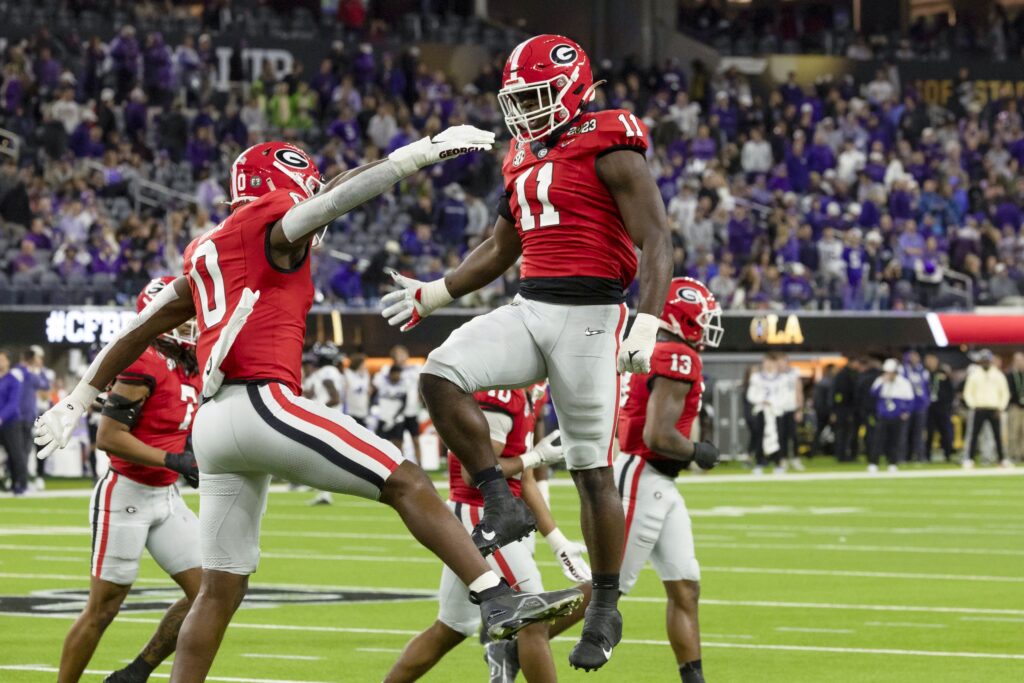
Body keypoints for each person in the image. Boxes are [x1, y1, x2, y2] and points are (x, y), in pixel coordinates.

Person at [35, 135, 583, 683]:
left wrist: (81, 395)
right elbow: (331, 202)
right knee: (407, 479)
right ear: (281, 191)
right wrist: (415, 155)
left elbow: (137, 327)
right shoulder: (268, 225)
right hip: (261, 403)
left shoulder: (208, 251)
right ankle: (495, 597)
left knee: (221, 587)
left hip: (213, 423)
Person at [381, 34, 672, 670]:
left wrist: (646, 322)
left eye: (539, 95)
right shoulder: (520, 153)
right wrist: (434, 292)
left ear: (574, 88)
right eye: (520, 99)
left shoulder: (610, 138)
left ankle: (604, 605)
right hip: (530, 303)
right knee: (441, 373)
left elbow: (656, 237)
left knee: (592, 469)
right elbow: (500, 244)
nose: (528, 110)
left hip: (592, 313)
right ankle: (499, 496)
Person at [385, 387, 590, 683]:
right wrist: (534, 456)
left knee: (451, 628)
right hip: (479, 514)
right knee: (532, 620)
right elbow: (475, 472)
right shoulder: (501, 392)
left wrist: (557, 540)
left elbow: (525, 480)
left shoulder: (531, 390)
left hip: (501, 515)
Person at [58, 277, 203, 683]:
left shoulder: (189, 362)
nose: (189, 321)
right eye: (181, 314)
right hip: (126, 494)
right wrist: (174, 458)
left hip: (164, 495)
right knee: (102, 610)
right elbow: (109, 438)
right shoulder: (144, 360)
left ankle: (136, 672)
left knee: (210, 593)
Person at [616, 277, 721, 683]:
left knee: (685, 587)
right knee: (606, 591)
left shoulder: (653, 347)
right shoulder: (676, 354)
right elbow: (657, 436)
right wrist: (698, 452)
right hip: (643, 475)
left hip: (656, 481)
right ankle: (524, 639)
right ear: (685, 316)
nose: (708, 324)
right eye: (704, 316)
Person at [962, 349, 1010, 468]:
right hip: (978, 408)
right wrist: (973, 405)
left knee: (997, 436)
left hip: (994, 409)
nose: (985, 362)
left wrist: (1001, 407)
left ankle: (1002, 459)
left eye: (987, 360)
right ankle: (969, 459)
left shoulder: (998, 375)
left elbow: (1005, 393)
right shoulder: (974, 375)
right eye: (983, 360)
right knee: (973, 435)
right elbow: (967, 392)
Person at [868, 359, 915, 472]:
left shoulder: (903, 383)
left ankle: (892, 462)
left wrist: (906, 412)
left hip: (896, 416)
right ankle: (874, 462)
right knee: (878, 440)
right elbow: (873, 394)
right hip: (883, 415)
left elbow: (910, 400)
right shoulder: (880, 380)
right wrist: (883, 382)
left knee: (895, 440)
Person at [13, 346, 50, 487]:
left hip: (31, 416)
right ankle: (18, 479)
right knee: (19, 450)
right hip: (19, 415)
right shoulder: (21, 372)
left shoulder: (35, 373)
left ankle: (21, 479)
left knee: (26, 449)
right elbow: (41, 387)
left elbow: (45, 390)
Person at [746, 353, 787, 475]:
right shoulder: (756, 378)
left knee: (778, 437)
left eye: (771, 362)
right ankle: (760, 462)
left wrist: (772, 402)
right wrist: (761, 400)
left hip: (776, 412)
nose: (769, 365)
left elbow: (784, 396)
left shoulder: (782, 379)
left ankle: (778, 462)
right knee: (759, 437)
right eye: (766, 362)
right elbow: (751, 395)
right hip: (761, 410)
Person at [0, 350, 26, 494]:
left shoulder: (12, 379)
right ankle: (8, 482)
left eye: (2, 359)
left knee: (15, 453)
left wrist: (1, 417)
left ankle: (20, 483)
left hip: (11, 421)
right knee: (8, 455)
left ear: (8, 362)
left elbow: (13, 403)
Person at [775, 353, 804, 470]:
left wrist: (799, 410)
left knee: (794, 435)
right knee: (781, 436)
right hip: (779, 410)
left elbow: (799, 391)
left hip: (792, 409)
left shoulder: (794, 373)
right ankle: (783, 459)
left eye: (783, 361)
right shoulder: (773, 376)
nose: (781, 364)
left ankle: (796, 458)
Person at [900, 350, 930, 463]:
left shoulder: (923, 371)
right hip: (907, 405)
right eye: (912, 356)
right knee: (904, 433)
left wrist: (926, 402)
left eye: (916, 356)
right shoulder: (902, 370)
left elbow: (927, 388)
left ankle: (920, 456)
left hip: (920, 405)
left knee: (919, 433)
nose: (914, 358)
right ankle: (902, 456)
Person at [924, 354, 954, 462]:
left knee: (945, 431)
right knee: (929, 432)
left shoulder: (943, 373)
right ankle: (926, 455)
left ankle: (948, 454)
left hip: (941, 407)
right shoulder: (924, 374)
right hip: (929, 407)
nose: (931, 363)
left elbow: (950, 391)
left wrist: (948, 405)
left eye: (933, 360)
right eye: (929, 361)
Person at [831, 357, 860, 462]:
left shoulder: (844, 374)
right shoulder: (846, 376)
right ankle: (842, 455)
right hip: (845, 409)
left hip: (842, 409)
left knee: (844, 433)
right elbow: (840, 394)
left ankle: (842, 454)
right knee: (845, 433)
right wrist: (841, 409)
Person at [811, 364, 835, 457]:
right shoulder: (829, 382)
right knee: (829, 430)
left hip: (819, 410)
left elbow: (815, 398)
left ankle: (814, 450)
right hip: (825, 411)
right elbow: (829, 399)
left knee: (820, 430)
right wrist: (831, 412)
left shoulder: (821, 381)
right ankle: (827, 450)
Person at [342, 352, 371, 427]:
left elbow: (368, 390)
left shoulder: (366, 374)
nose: (365, 365)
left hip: (363, 412)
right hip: (350, 412)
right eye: (363, 363)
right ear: (358, 363)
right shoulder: (347, 373)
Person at [1005, 352, 1024, 464]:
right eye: (1017, 361)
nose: (1020, 363)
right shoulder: (1010, 375)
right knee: (1013, 432)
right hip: (1015, 407)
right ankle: (1013, 454)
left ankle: (1022, 454)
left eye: (1021, 360)